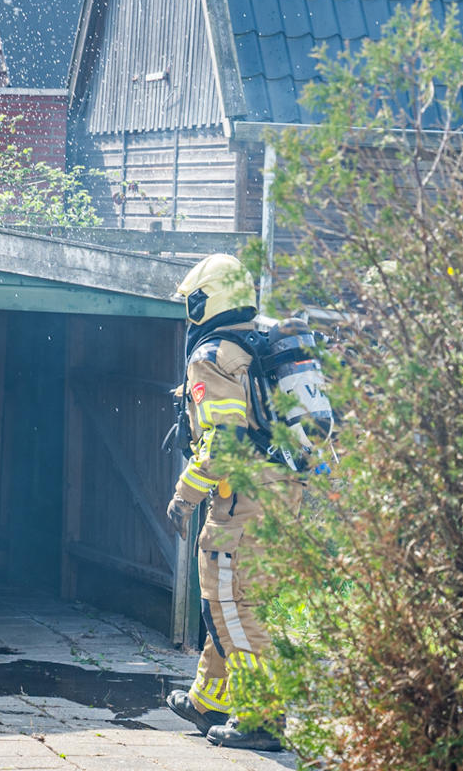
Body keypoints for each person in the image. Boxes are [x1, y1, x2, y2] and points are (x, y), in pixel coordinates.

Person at [163, 253, 285, 753]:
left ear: (205, 300)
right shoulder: (261, 344)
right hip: (280, 492)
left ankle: (262, 717)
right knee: (223, 599)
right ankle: (209, 699)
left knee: (233, 604)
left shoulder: (212, 355)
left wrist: (184, 495)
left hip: (243, 500)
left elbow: (225, 442)